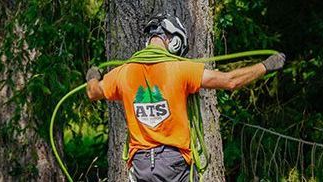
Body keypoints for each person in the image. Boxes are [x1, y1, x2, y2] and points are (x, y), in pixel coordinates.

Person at [85, 13, 285, 182]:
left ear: (149, 41)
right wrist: (265, 66)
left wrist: (93, 76)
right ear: (173, 41)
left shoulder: (122, 73)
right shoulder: (181, 69)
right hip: (173, 163)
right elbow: (230, 81)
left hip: (140, 166)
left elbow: (93, 92)